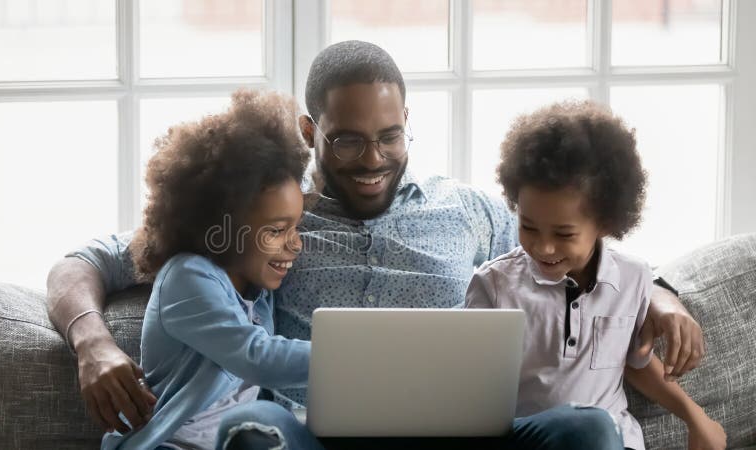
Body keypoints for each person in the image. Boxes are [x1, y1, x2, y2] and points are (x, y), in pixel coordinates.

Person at [46, 41, 705, 449]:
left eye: (390, 135)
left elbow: (578, 249)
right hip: (318, 438)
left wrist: (661, 296)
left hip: (464, 436)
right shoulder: (260, 222)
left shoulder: (466, 211)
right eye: (350, 138)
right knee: (250, 434)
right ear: (310, 129)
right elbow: (86, 262)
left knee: (588, 430)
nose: (374, 158)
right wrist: (93, 342)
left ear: (408, 122)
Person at [466, 100, 726, 450]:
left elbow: (634, 364)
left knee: (597, 427)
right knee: (586, 425)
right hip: (533, 438)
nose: (543, 248)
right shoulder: (494, 285)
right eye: (529, 227)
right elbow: (468, 391)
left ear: (605, 223)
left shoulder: (634, 277)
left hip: (612, 439)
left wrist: (696, 418)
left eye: (563, 234)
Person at [99, 89, 326, 449]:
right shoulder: (188, 276)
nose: (295, 243)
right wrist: (347, 354)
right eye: (277, 230)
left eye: (295, 227)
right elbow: (256, 356)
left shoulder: (259, 292)